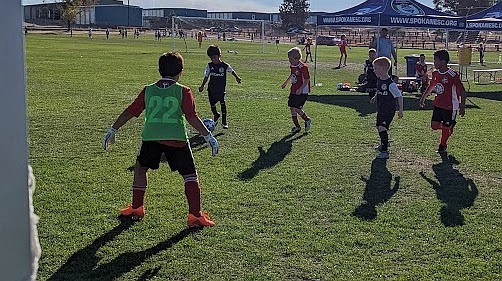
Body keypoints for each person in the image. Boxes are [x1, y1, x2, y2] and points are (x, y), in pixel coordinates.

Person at [101, 52, 218, 228]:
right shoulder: (183, 90)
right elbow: (192, 117)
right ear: (181, 71)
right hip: (177, 139)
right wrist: (208, 136)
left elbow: (131, 111)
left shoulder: (148, 89)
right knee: (190, 176)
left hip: (151, 138)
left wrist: (113, 128)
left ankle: (137, 208)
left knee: (140, 171)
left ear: (159, 70)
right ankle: (195, 215)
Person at [419, 49, 466, 154]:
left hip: (450, 106)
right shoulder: (435, 73)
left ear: (443, 61)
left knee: (445, 128)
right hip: (438, 104)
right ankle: (448, 127)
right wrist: (423, 98)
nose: (434, 62)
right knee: (434, 126)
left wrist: (462, 106)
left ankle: (443, 145)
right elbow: (431, 86)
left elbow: (462, 91)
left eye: (435, 60)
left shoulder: (452, 74)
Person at [199, 45, 242, 129]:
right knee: (212, 105)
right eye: (211, 58)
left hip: (221, 90)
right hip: (211, 89)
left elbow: (231, 71)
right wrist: (202, 86)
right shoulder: (209, 66)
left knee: (223, 104)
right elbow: (206, 76)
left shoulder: (225, 66)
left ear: (219, 56)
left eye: (215, 57)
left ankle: (224, 122)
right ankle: (216, 114)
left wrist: (237, 77)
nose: (213, 59)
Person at [370, 57, 404, 159]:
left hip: (388, 110)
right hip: (381, 109)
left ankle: (384, 151)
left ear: (384, 69)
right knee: (378, 126)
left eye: (376, 68)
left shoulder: (391, 84)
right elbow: (379, 90)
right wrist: (375, 97)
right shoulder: (380, 80)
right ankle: (384, 143)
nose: (374, 70)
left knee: (382, 127)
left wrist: (400, 110)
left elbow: (399, 96)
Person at [281, 47, 312, 134]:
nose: (289, 61)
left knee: (297, 108)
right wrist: (285, 83)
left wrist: (300, 89)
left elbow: (307, 79)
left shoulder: (303, 67)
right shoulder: (293, 65)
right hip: (294, 89)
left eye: (291, 59)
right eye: (289, 59)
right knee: (292, 108)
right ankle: (297, 127)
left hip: (302, 91)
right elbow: (292, 74)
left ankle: (307, 119)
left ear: (297, 58)